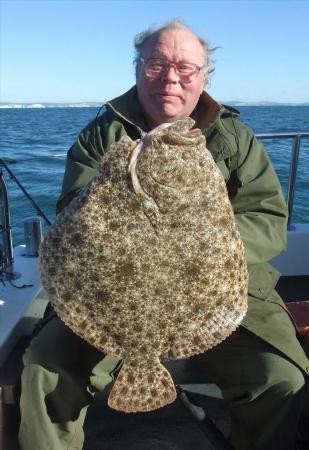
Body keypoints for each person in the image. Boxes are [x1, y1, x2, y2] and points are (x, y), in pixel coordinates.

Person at [19, 19, 308, 450]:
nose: (171, 77)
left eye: (185, 68)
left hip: (222, 296)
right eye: (157, 63)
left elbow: (267, 220)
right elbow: (69, 218)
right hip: (112, 294)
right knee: (44, 372)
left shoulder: (237, 139)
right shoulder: (103, 135)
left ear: (204, 77)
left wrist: (198, 243)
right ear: (138, 69)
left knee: (282, 380)